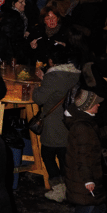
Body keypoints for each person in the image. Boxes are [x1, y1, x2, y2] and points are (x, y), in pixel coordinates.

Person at [64, 89, 107, 213]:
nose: (99, 105)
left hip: (82, 177)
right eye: (96, 103)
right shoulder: (82, 127)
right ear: (88, 106)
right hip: (84, 179)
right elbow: (83, 156)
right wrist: (88, 180)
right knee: (88, 209)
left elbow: (96, 134)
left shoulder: (85, 121)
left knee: (96, 208)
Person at [32, 46, 81, 202]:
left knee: (47, 154)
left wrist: (36, 87)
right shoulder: (75, 74)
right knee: (65, 155)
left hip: (54, 122)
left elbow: (40, 99)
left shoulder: (53, 76)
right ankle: (68, 188)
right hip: (70, 120)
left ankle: (59, 189)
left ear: (51, 61)